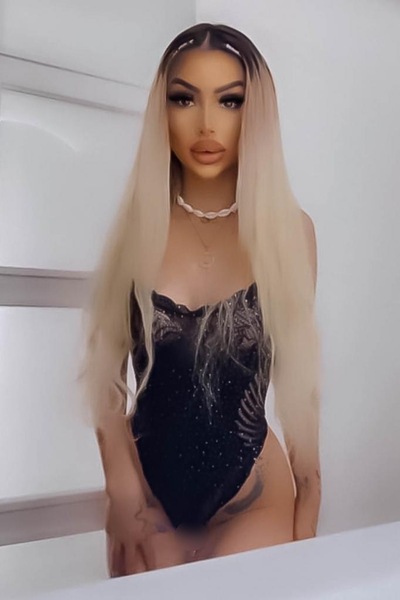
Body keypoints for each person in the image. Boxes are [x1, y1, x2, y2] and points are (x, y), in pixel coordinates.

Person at [79, 22, 321, 577]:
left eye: (230, 101)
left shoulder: (290, 233)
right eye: (184, 98)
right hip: (147, 496)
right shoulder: (137, 228)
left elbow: (301, 385)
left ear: (256, 113)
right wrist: (120, 488)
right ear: (161, 109)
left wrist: (309, 506)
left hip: (255, 493)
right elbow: (103, 375)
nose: (207, 124)